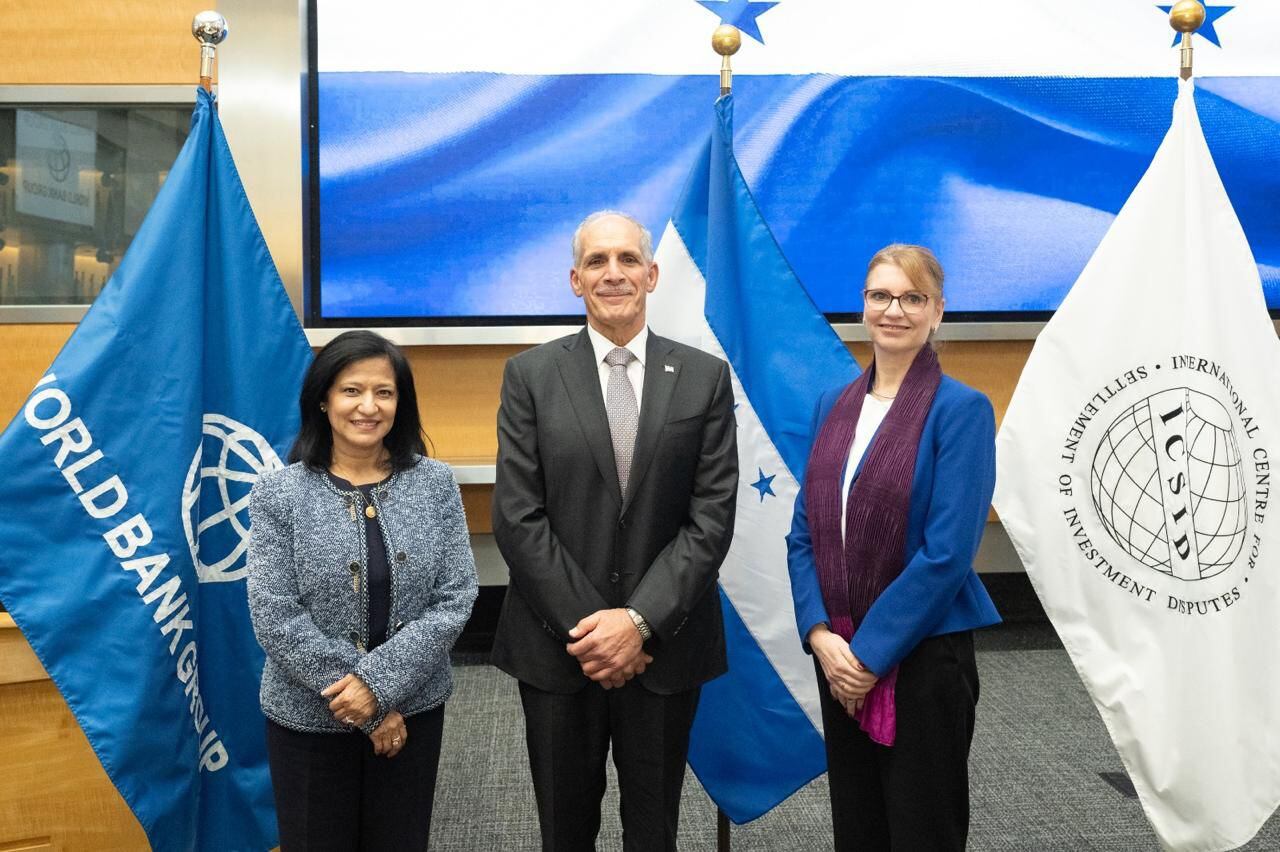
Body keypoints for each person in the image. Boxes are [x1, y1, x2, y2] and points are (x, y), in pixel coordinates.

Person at [491, 210, 738, 851]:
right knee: (564, 831)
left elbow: (710, 518)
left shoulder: (704, 378)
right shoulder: (530, 377)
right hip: (558, 649)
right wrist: (595, 631)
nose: (614, 273)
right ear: (575, 280)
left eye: (627, 259)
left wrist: (637, 623)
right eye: (597, 262)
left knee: (653, 831)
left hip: (664, 647)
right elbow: (518, 517)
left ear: (652, 274)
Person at [787, 244, 1000, 851]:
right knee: (859, 829)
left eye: (912, 298)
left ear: (938, 312)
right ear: (863, 305)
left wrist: (868, 658)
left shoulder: (962, 411)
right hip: (840, 655)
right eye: (880, 295)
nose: (894, 311)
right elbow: (805, 531)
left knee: (920, 831)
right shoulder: (835, 404)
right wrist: (821, 635)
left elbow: (947, 554)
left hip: (921, 659)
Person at [247, 330, 478, 850]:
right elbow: (275, 616)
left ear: (401, 402)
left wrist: (379, 686)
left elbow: (456, 595)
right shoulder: (278, 493)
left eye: (385, 392)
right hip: (307, 721)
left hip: (413, 716)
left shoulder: (436, 483)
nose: (368, 407)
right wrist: (370, 706)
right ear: (323, 399)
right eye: (352, 390)